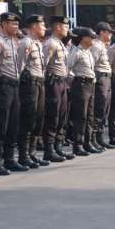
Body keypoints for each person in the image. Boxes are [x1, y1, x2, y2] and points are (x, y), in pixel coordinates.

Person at [0, 12, 26, 174]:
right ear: (4, 24)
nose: (16, 27)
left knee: (13, 124)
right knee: (1, 124)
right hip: (3, 86)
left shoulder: (16, 41)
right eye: (13, 24)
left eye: (17, 24)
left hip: (15, 85)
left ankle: (10, 159)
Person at [17, 15, 49, 168]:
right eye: (42, 26)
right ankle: (23, 156)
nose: (44, 29)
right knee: (28, 119)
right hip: (29, 84)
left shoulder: (38, 43)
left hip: (40, 82)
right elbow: (19, 67)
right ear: (34, 26)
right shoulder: (25, 43)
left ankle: (32, 153)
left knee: (38, 119)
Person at [42, 16, 72, 162]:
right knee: (52, 116)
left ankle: (58, 147)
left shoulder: (60, 43)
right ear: (58, 27)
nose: (67, 29)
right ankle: (49, 150)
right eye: (65, 26)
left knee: (62, 115)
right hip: (53, 82)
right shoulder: (51, 44)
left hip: (62, 82)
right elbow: (43, 66)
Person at [66, 27, 97, 157]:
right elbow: (68, 67)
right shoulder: (76, 51)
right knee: (81, 116)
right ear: (83, 38)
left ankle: (87, 142)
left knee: (89, 116)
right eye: (90, 37)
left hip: (90, 84)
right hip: (81, 84)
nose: (93, 40)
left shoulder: (88, 52)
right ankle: (77, 145)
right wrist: (73, 80)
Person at [90, 21, 114, 152]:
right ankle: (94, 139)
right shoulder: (96, 46)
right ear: (101, 32)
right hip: (100, 78)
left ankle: (99, 138)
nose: (110, 34)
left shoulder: (103, 46)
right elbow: (92, 64)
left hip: (106, 78)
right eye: (108, 32)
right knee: (99, 110)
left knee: (105, 110)